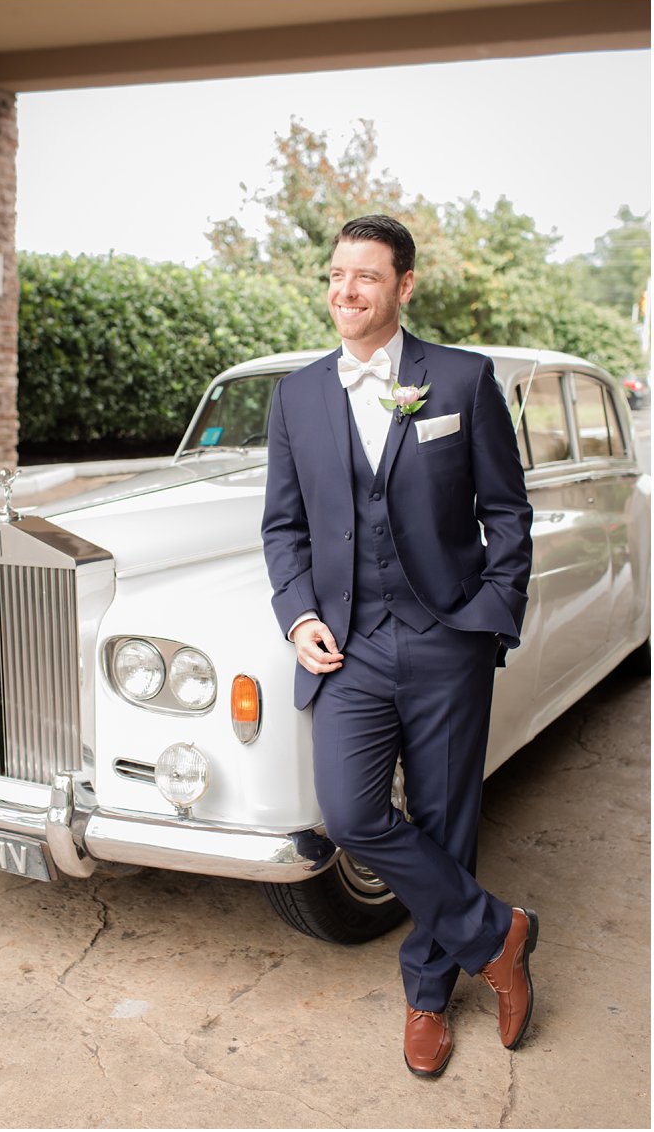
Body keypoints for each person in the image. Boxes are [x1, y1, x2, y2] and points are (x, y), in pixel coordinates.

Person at [259, 214, 537, 1078]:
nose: (346, 291)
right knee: (349, 813)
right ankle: (501, 932)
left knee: (447, 820)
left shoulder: (461, 379)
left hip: (447, 638)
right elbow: (283, 527)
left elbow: (508, 513)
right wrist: (298, 613)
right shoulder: (297, 395)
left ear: (404, 285)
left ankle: (426, 997)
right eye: (336, 276)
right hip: (348, 645)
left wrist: (489, 613)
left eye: (366, 277)